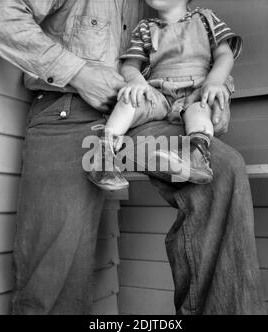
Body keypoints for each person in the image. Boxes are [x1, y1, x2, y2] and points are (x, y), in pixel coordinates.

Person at [0, 0, 266, 315]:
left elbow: (196, 55)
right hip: (68, 110)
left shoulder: (160, 7)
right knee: (54, 267)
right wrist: (79, 73)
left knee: (222, 170)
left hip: (144, 119)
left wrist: (214, 93)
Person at [89, 0, 241, 191]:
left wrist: (215, 82)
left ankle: (196, 156)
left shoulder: (205, 20)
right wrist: (136, 81)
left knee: (200, 108)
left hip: (195, 90)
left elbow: (224, 55)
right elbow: (130, 65)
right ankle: (103, 157)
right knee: (129, 99)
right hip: (158, 92)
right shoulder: (145, 27)